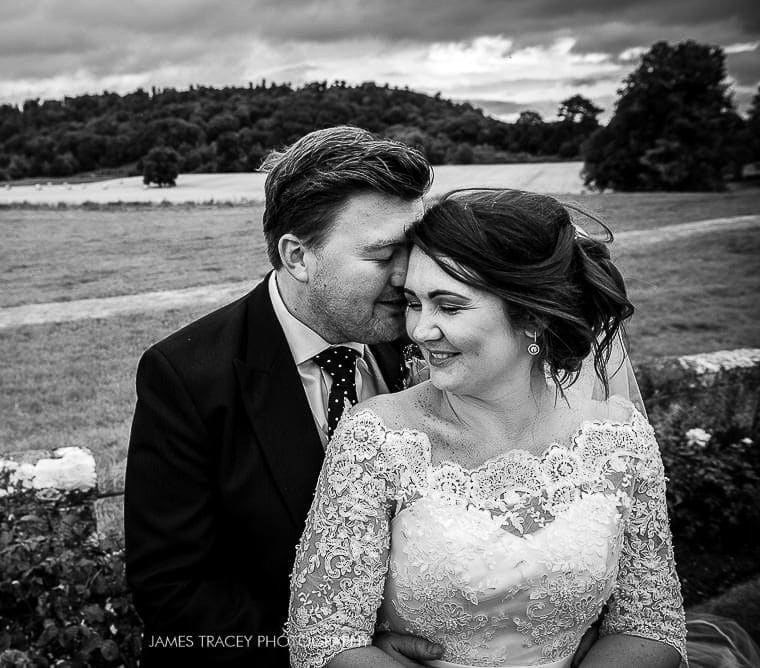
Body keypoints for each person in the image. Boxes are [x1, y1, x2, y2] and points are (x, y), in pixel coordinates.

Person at [286, 189, 690, 668]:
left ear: (532, 317)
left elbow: (651, 625)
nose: (419, 330)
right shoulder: (378, 440)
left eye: (449, 306)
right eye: (414, 302)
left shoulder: (620, 441)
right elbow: (325, 641)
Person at [124, 126, 440, 667]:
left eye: (413, 250)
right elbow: (173, 593)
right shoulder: (187, 376)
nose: (407, 277)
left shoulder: (429, 341)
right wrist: (343, 656)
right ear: (297, 256)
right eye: (384, 253)